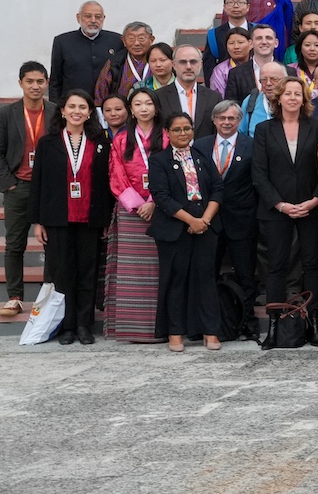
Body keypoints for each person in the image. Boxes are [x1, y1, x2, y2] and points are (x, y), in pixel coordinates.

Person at [29, 91, 112, 345]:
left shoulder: (100, 142)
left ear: (89, 113)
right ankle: (66, 326)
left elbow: (106, 183)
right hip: (57, 217)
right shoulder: (48, 142)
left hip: (90, 217)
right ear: (62, 111)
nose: (77, 111)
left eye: (83, 107)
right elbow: (38, 183)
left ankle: (84, 324)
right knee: (62, 273)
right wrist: (38, 221)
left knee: (88, 272)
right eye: (71, 106)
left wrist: (106, 219)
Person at [254, 76, 318, 337]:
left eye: (298, 94)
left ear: (305, 99)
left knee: (313, 265)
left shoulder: (317, 127)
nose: (293, 98)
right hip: (276, 209)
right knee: (276, 266)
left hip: (311, 207)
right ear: (279, 98)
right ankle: (275, 325)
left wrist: (315, 199)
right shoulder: (264, 129)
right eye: (288, 93)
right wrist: (280, 204)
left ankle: (313, 324)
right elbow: (259, 174)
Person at [147, 109, 223, 351]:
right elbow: (161, 197)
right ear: (168, 133)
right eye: (177, 129)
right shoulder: (159, 160)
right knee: (176, 280)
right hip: (175, 228)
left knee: (206, 279)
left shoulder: (202, 155)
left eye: (187, 128)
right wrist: (191, 220)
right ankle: (175, 332)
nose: (183, 133)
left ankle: (210, 331)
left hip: (206, 224)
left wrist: (205, 220)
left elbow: (218, 189)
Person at [0, 61, 52, 318]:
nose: (35, 86)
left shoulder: (56, 112)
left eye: (40, 81)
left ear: (46, 83)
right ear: (20, 83)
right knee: (14, 244)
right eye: (30, 81)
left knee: (52, 243)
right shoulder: (6, 114)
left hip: (49, 189)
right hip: (19, 187)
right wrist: (9, 183)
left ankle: (50, 295)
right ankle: (14, 297)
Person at [104, 88, 165, 342]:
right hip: (131, 211)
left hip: (162, 208)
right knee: (131, 271)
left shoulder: (166, 136)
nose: (143, 108)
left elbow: (173, 172)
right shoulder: (121, 138)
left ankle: (159, 327)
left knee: (159, 269)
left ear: (156, 107)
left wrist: (153, 201)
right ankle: (131, 328)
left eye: (148, 103)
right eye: (137, 104)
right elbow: (116, 173)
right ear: (131, 109)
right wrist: (137, 203)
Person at [195, 101, 257, 323]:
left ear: (239, 121)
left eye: (231, 118)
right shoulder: (200, 146)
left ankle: (247, 321)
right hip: (208, 220)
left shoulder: (251, 145)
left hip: (242, 219)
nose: (226, 122)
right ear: (214, 120)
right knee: (207, 272)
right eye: (222, 118)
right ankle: (209, 321)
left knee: (246, 274)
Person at [51, 1, 127, 108]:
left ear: (103, 18)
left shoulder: (117, 41)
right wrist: (55, 108)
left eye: (98, 17)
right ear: (78, 18)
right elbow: (55, 81)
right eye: (88, 16)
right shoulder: (62, 42)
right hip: (73, 106)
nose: (93, 20)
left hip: (108, 107)